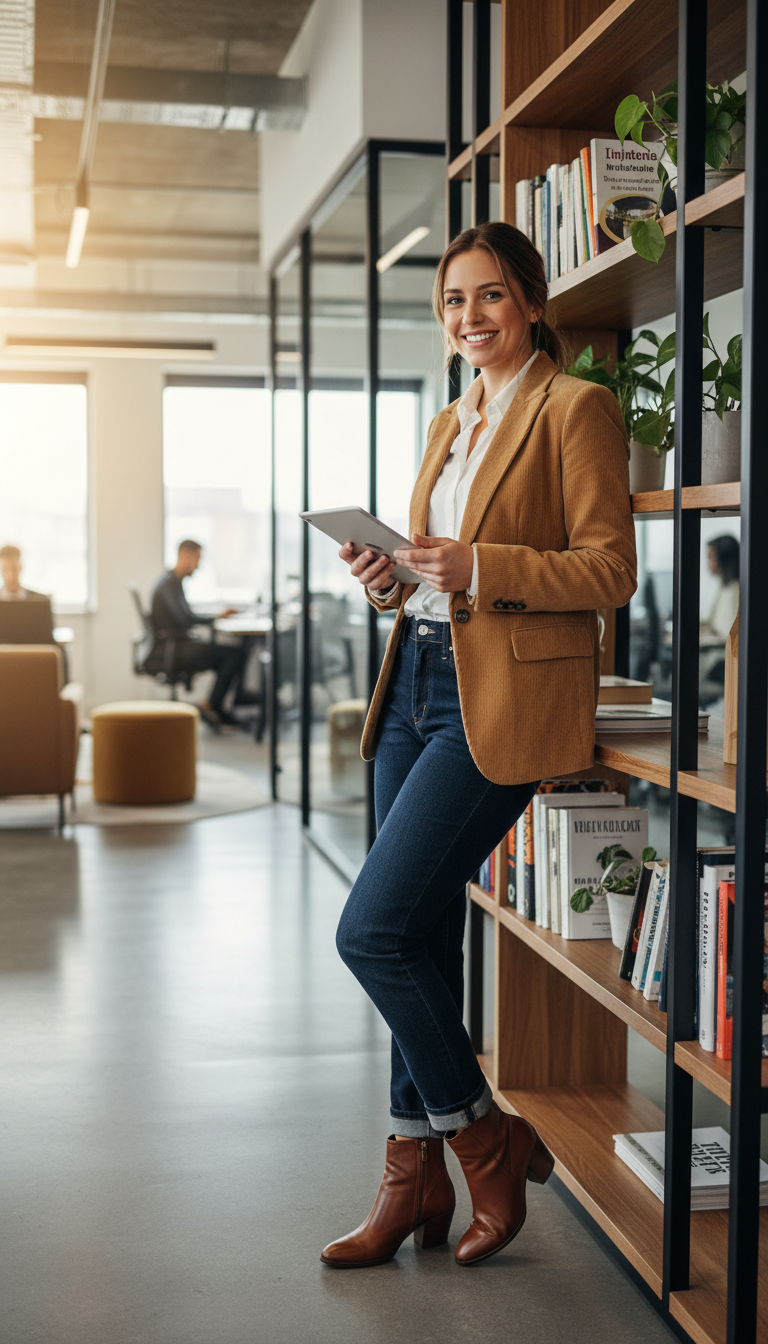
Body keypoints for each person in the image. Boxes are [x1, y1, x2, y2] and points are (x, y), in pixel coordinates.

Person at [322, 222, 637, 1269]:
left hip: (490, 708)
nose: (472, 318)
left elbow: (606, 571)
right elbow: (436, 574)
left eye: (492, 296)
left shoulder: (574, 407)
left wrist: (476, 566)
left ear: (532, 302)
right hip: (411, 684)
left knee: (368, 932)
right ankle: (410, 1182)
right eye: (455, 301)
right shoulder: (450, 421)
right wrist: (393, 582)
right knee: (420, 935)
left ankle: (485, 1140)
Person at [148, 540, 245, 727]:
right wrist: (215, 618)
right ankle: (212, 705)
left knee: (231, 654)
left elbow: (185, 617)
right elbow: (185, 620)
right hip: (174, 648)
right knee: (234, 655)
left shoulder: (173, 582)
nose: (198, 566)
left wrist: (216, 617)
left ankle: (214, 705)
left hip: (175, 645)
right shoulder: (169, 584)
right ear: (185, 554)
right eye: (198, 559)